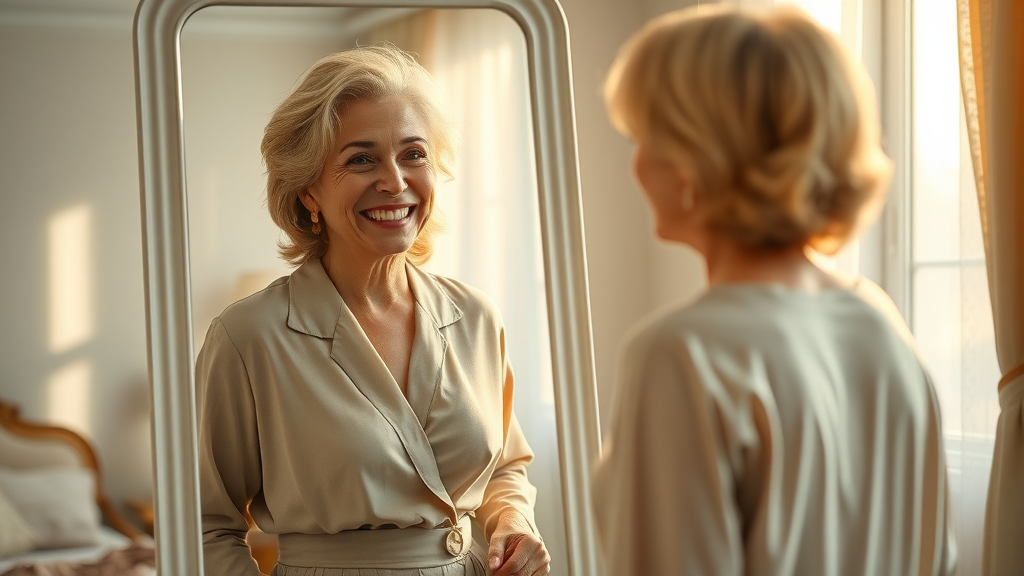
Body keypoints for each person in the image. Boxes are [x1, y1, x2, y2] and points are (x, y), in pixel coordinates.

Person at [593, 6, 957, 576]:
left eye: (646, 137)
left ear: (697, 157)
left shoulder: (682, 354)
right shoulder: (882, 327)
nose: (636, 164)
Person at [195, 44, 550, 576]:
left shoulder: (476, 316)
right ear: (307, 189)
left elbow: (504, 468)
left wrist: (512, 520)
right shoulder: (249, 337)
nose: (395, 181)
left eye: (414, 154)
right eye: (361, 159)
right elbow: (203, 525)